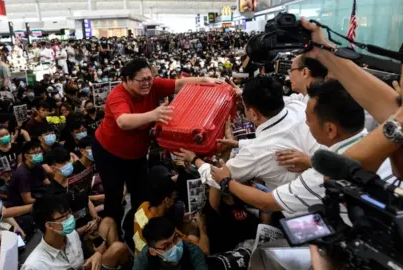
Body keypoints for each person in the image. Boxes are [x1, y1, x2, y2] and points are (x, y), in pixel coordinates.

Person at [209, 80, 393, 217]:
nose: (304, 123)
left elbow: (267, 202)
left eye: (309, 120)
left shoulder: (323, 176)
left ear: (330, 129)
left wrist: (226, 182)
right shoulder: (381, 146)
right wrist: (310, 162)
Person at [93, 57, 224, 230]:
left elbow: (178, 84)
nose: (147, 83)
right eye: (142, 80)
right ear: (127, 80)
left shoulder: (152, 85)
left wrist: (203, 80)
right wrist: (153, 115)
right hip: (109, 153)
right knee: (114, 196)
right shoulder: (117, 96)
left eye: (150, 79)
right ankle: (114, 234)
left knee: (141, 196)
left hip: (137, 154)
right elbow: (123, 121)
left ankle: (138, 232)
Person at [177, 75, 320, 190]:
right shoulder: (299, 107)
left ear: (253, 113)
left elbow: (218, 177)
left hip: (293, 211)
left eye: (244, 106)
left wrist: (194, 159)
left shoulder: (256, 152)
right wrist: (239, 143)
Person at [22, 194, 129, 270]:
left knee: (120, 247)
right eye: (65, 216)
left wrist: (97, 254)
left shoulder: (71, 235)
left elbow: (78, 265)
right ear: (49, 225)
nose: (71, 218)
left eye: (70, 213)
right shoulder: (35, 265)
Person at [134, 166, 209, 256]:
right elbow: (204, 252)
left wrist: (180, 217)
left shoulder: (143, 206)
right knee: (194, 238)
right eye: (173, 197)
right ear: (166, 200)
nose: (175, 200)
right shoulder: (164, 230)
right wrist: (202, 229)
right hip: (159, 262)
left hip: (139, 255)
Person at [133, 217, 208, 270]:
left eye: (176, 238)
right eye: (167, 245)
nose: (175, 246)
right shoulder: (145, 257)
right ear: (153, 251)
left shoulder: (193, 252)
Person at [6, 140, 49, 207]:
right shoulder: (22, 174)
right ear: (26, 156)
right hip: (21, 206)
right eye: (35, 153)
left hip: (37, 194)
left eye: (40, 152)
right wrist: (47, 200)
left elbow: (47, 183)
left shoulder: (38, 166)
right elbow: (27, 200)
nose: (39, 155)